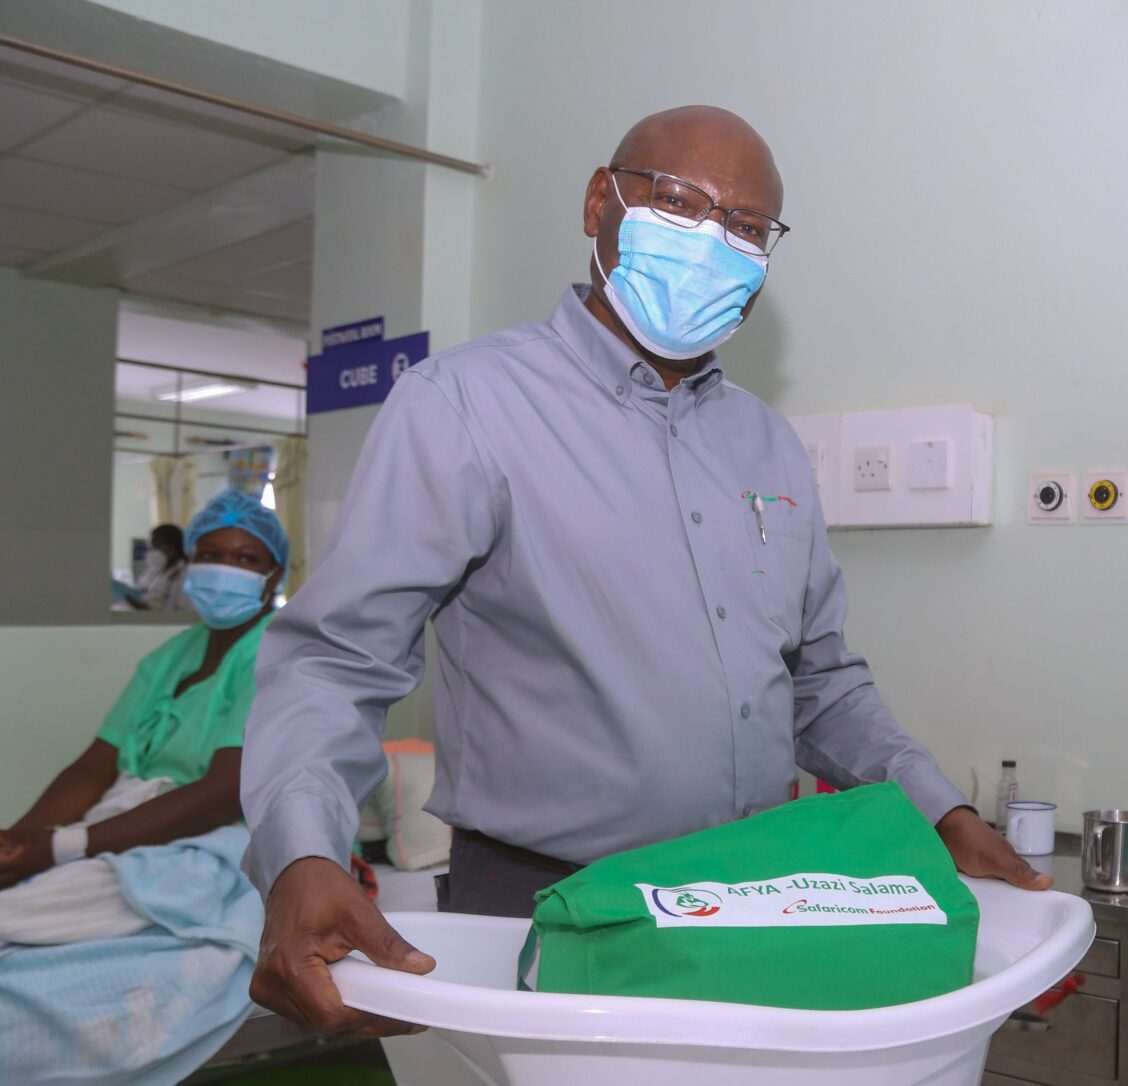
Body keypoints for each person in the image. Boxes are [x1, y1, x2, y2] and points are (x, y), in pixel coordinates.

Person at [241, 105, 1047, 1037]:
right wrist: (305, 854)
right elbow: (336, 660)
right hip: (548, 894)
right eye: (678, 202)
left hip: (757, 886)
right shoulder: (464, 406)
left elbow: (819, 682)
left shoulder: (768, 445)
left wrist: (937, 808)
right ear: (600, 202)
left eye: (747, 226)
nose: (713, 241)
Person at [2, 491, 286, 887]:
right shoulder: (170, 657)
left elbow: (225, 792)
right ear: (190, 564)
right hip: (125, 827)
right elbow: (95, 766)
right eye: (209, 555)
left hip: (220, 836)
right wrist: (19, 840)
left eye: (245, 559)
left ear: (274, 575)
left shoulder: (280, 655)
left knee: (30, 908)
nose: (224, 569)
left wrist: (58, 847)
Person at [129, 523, 189, 611]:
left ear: (171, 547)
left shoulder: (185, 573)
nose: (152, 553)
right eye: (151, 548)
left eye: (156, 548)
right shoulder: (153, 570)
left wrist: (147, 609)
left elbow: (182, 609)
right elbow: (139, 589)